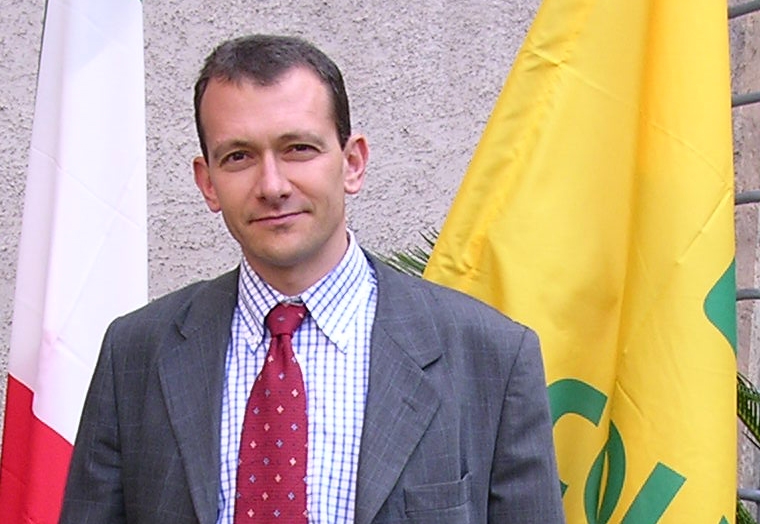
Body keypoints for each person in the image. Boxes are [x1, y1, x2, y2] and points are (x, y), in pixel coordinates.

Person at [59, 34, 565, 524]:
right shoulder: (136, 353)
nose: (272, 185)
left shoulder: (491, 357)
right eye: (238, 157)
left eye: (298, 148)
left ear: (352, 163)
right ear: (207, 182)